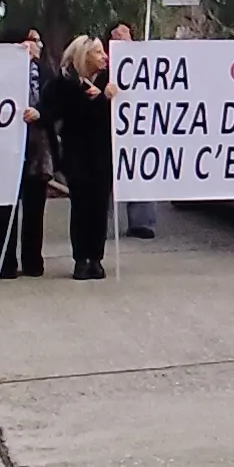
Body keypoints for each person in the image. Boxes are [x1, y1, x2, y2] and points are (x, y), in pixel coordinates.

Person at [48, 35, 116, 279]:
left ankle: (96, 258)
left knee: (100, 208)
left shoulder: (110, 81)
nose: (104, 56)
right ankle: (80, 259)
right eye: (98, 52)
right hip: (78, 154)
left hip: (103, 154)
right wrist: (101, 100)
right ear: (84, 56)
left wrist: (107, 98)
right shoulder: (66, 84)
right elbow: (72, 115)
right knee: (81, 208)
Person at [0, 28, 55, 278]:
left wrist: (41, 112)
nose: (38, 45)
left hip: (37, 148)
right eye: (33, 40)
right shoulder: (1, 70)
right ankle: (4, 261)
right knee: (6, 208)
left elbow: (54, 101)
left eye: (38, 41)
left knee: (35, 207)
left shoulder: (45, 71)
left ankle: (33, 260)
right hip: (6, 147)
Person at [106, 22, 157, 237]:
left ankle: (141, 222)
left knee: (140, 170)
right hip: (108, 125)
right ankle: (99, 223)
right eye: (117, 33)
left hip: (138, 124)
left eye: (125, 32)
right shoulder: (103, 60)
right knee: (105, 174)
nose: (121, 35)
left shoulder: (143, 60)